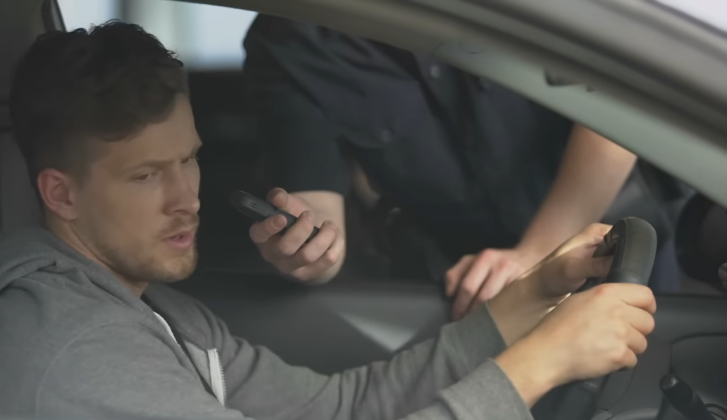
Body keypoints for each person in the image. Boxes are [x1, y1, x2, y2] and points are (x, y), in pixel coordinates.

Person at [0, 22, 656, 420]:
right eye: (146, 176)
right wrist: (544, 364)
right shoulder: (76, 344)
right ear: (61, 192)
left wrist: (536, 295)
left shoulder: (161, 314)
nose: (186, 199)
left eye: (191, 160)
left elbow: (343, 410)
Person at [242, 16, 641, 319]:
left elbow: (618, 107)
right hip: (467, 291)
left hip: (615, 248)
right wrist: (309, 253)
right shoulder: (290, 38)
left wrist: (536, 254)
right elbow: (315, 201)